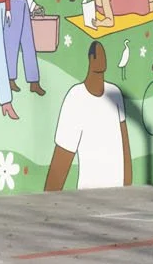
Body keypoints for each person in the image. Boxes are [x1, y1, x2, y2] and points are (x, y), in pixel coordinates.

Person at [45, 40, 131, 190]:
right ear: (91, 60)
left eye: (104, 55)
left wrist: (129, 186)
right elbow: (62, 155)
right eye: (99, 54)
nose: (103, 59)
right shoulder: (75, 98)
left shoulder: (115, 94)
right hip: (88, 195)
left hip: (118, 193)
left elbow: (125, 145)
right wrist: (48, 200)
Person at [4, 0, 46, 97]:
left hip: (24, 6)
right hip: (13, 5)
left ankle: (34, 82)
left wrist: (34, 6)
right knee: (12, 44)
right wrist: (8, 10)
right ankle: (10, 79)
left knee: (29, 44)